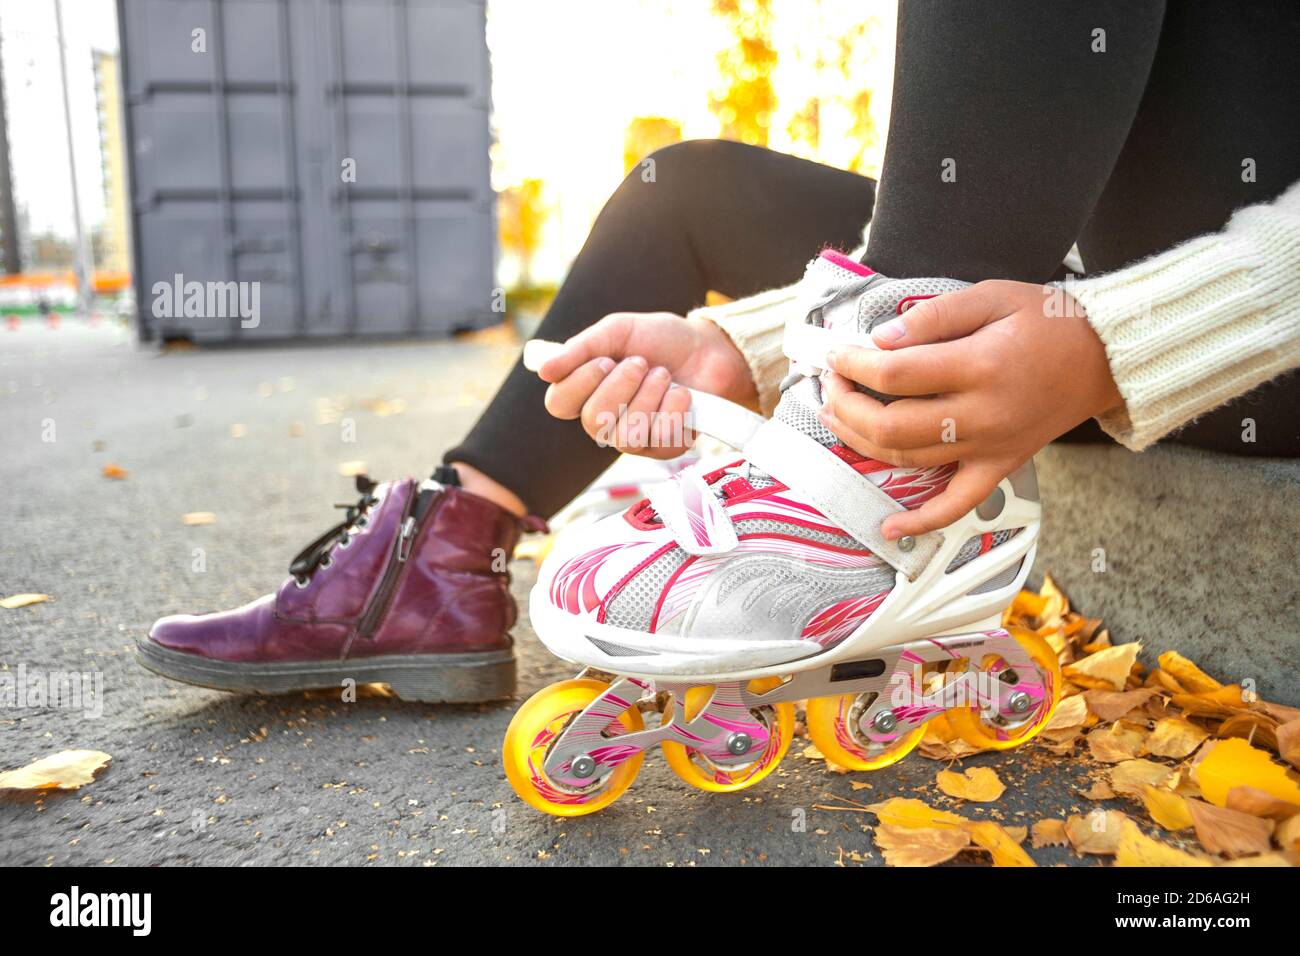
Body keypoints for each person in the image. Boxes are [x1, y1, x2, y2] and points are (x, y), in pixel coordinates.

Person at [138, 0, 1300, 702]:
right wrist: (745, 348)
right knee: (678, 187)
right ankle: (446, 550)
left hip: (1251, 329)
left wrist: (1115, 342)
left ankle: (866, 468)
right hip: (1083, 264)